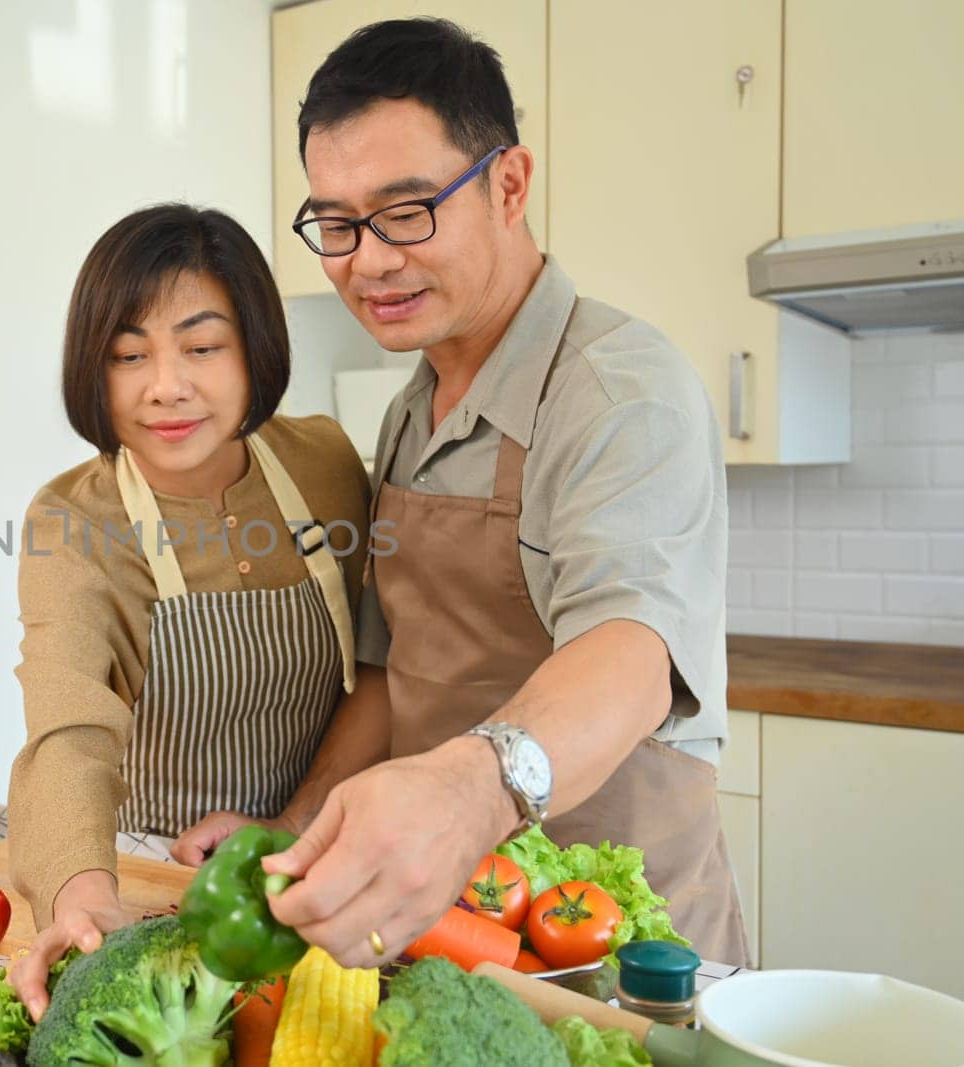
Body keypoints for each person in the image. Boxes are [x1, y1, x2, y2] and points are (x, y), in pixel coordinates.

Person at [176, 18, 746, 968]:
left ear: (510, 185)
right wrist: (295, 825)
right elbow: (391, 673)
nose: (370, 260)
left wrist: (470, 789)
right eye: (338, 222)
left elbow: (633, 651)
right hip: (450, 926)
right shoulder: (410, 409)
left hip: (614, 944)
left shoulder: (618, 391)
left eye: (406, 210)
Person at [5, 203, 373, 1018]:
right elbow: (67, 729)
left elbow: (383, 668)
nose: (166, 386)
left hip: (316, 861)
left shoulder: (327, 465)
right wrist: (83, 891)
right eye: (129, 354)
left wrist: (293, 821)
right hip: (153, 878)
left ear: (255, 351)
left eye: (202, 347)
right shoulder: (73, 522)